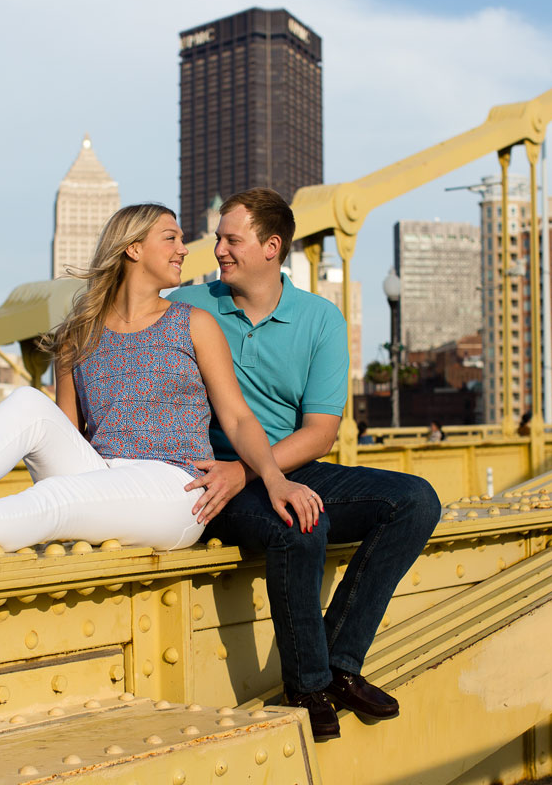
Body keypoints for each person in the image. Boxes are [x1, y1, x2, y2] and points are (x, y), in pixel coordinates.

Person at [0, 204, 322, 564]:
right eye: (171, 238)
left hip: (174, 490)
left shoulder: (193, 324)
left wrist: (274, 479)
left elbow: (237, 418)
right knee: (29, 403)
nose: (184, 249)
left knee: (60, 502)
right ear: (134, 248)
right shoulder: (77, 333)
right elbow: (60, 429)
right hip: (99, 472)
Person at [168, 188, 441, 741]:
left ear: (272, 247)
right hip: (212, 477)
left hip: (272, 469)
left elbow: (320, 433)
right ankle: (310, 685)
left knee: (415, 502)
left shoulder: (320, 320)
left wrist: (259, 472)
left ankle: (341, 663)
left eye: (230, 239)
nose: (216, 249)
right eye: (218, 238)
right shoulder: (189, 308)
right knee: (300, 524)